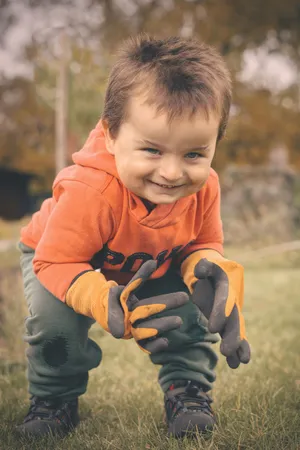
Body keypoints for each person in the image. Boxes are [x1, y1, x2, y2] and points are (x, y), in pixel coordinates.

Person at [16, 34, 250, 440]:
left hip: (150, 263)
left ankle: (187, 391)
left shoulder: (204, 188)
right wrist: (100, 298)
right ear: (110, 135)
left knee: (189, 310)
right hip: (61, 260)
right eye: (152, 150)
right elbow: (55, 261)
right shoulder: (92, 191)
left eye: (194, 154)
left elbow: (199, 244)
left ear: (216, 143)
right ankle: (54, 400)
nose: (173, 173)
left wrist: (207, 268)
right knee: (56, 323)